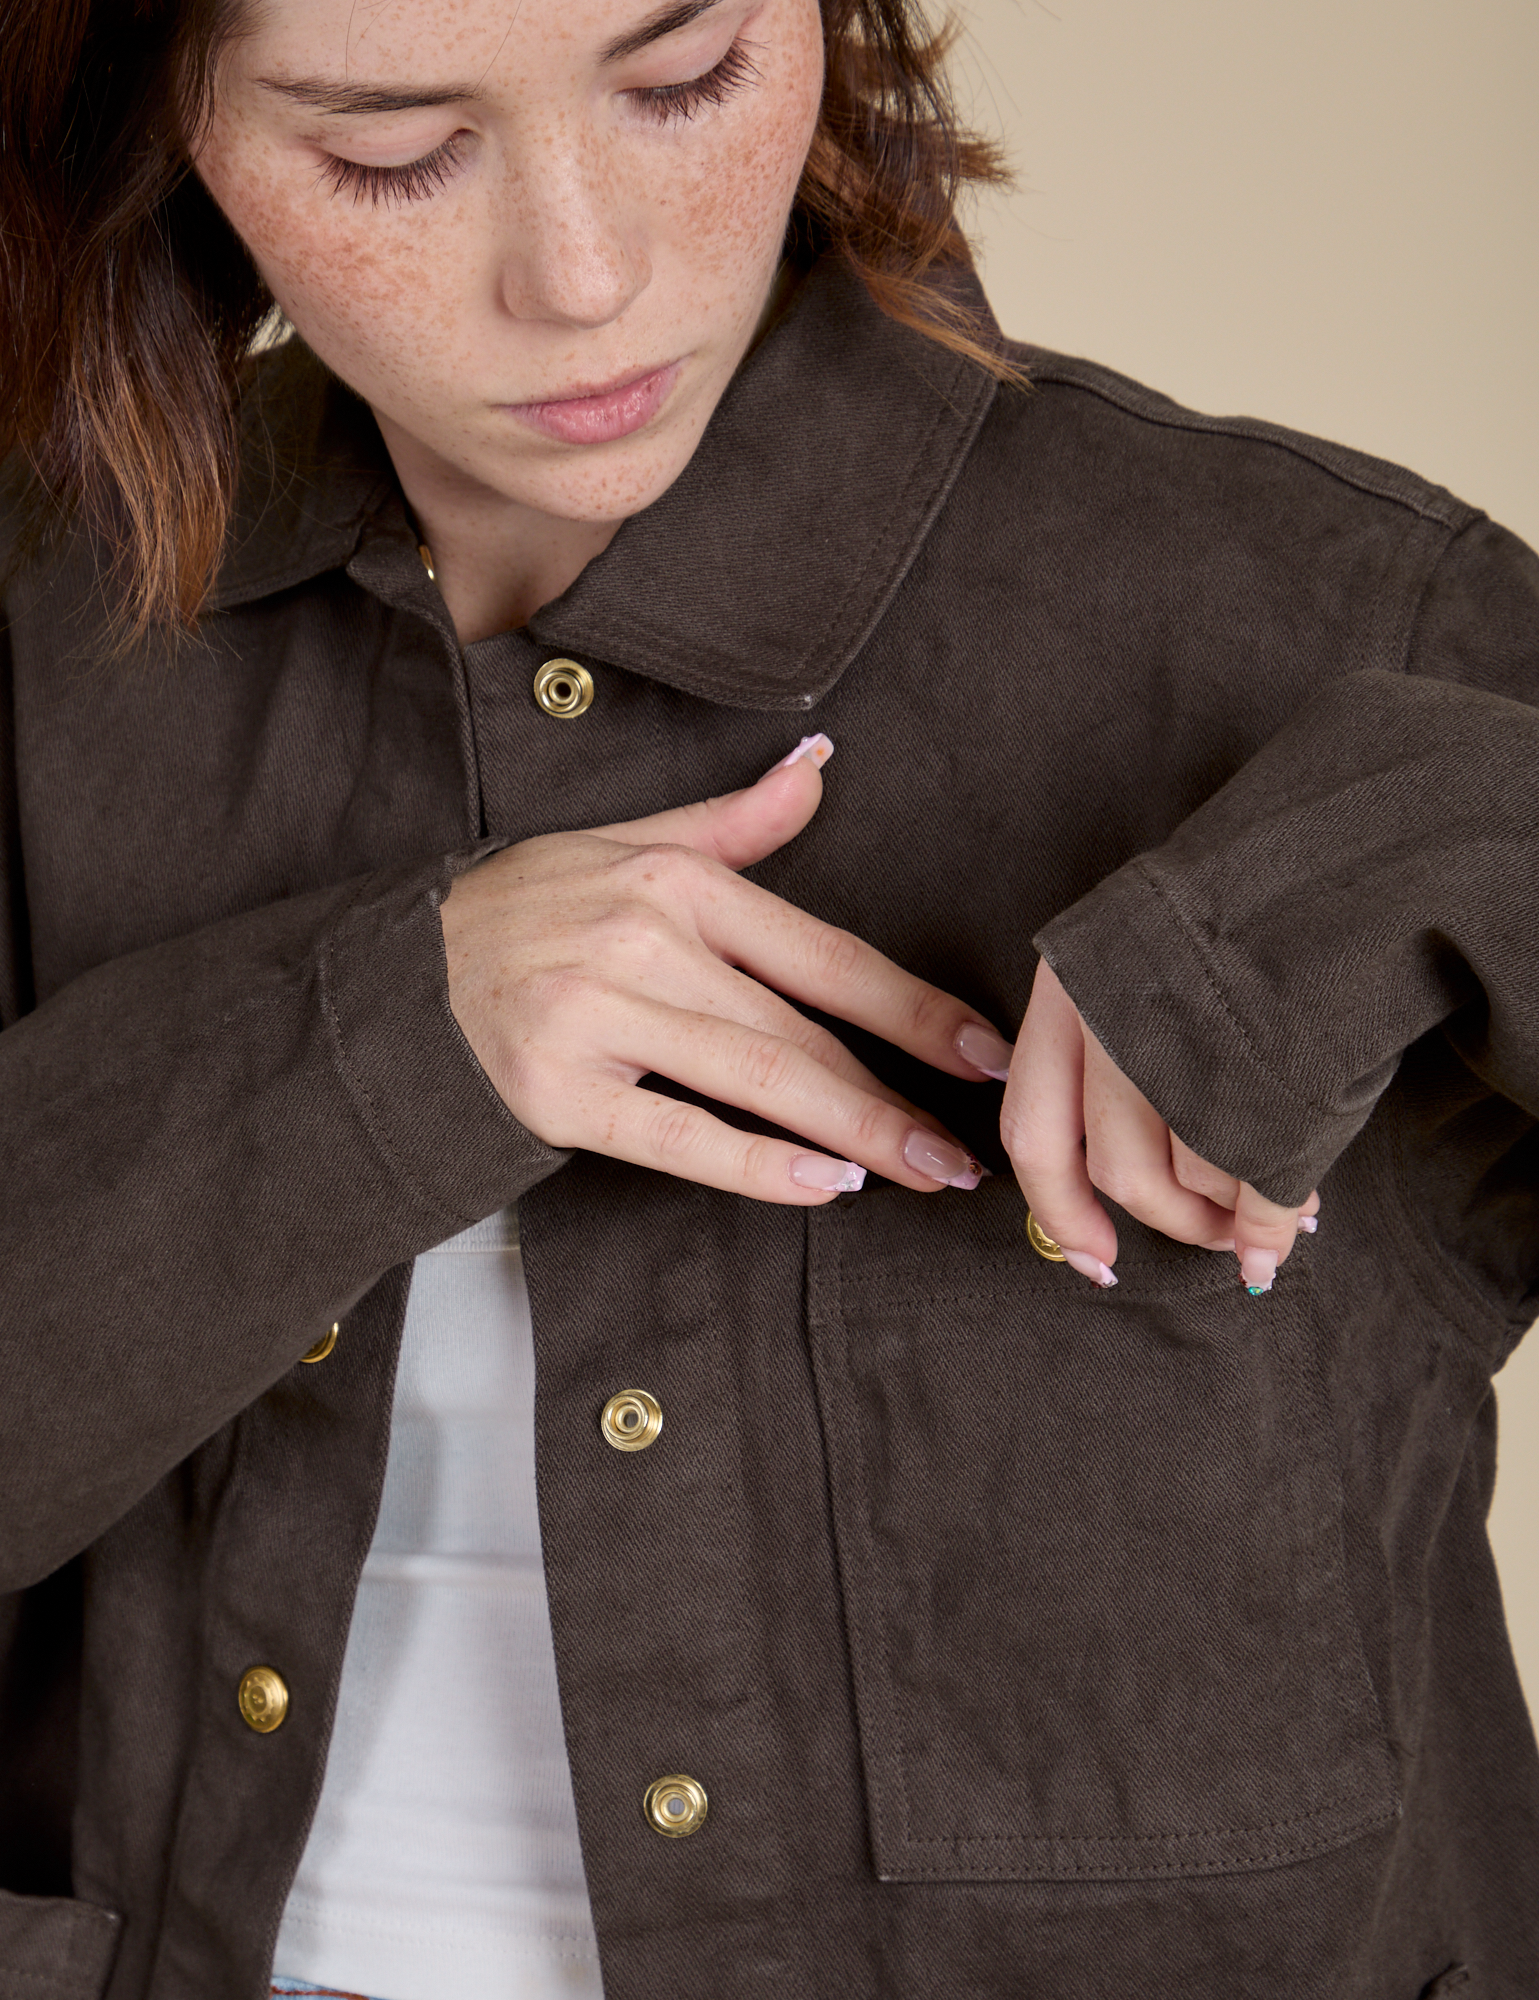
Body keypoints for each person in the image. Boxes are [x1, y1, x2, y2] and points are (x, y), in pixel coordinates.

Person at [0, 0, 1534, 1992]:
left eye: (679, 78)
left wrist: (1414, 853)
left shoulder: (1332, 615)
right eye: (386, 147)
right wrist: (370, 1047)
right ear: (161, 129)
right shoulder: (50, 651)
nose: (585, 272)